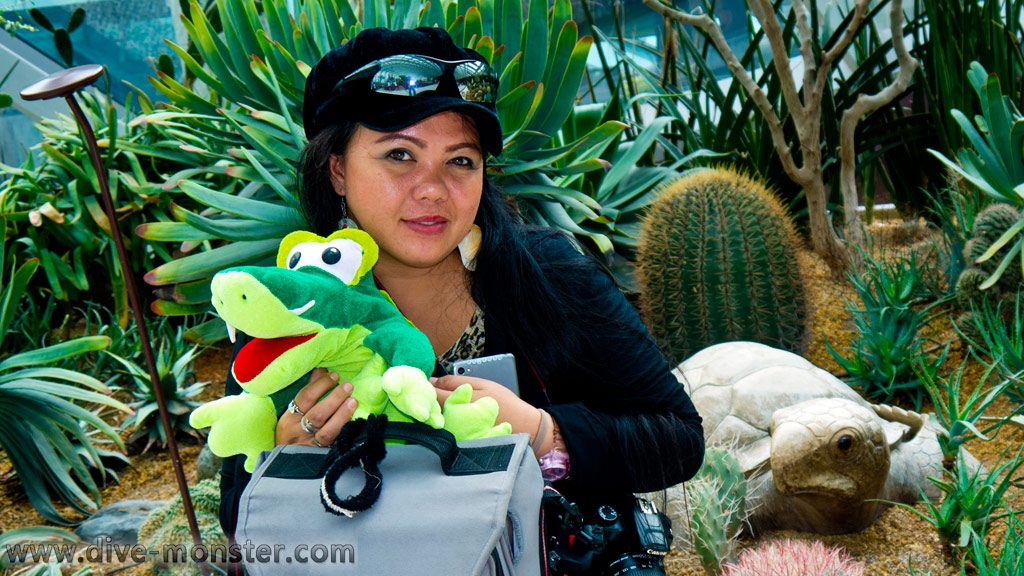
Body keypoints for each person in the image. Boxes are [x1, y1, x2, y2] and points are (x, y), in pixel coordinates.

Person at [218, 25, 704, 570]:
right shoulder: (292, 309)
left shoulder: (552, 275)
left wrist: (544, 434)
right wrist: (286, 458)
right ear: (337, 171)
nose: (432, 188)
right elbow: (240, 520)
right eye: (399, 155)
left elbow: (679, 439)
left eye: (461, 161)